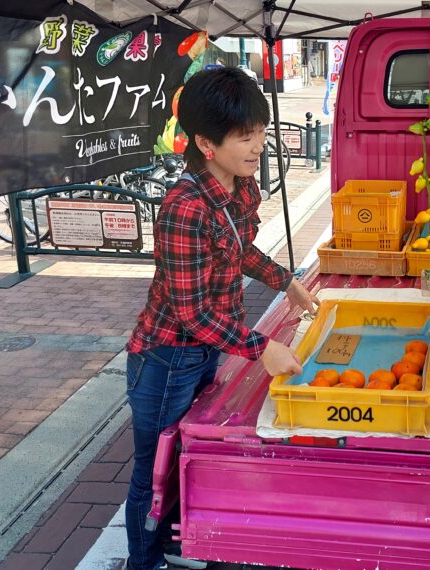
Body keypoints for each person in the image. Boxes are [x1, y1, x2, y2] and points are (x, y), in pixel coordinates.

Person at [123, 67, 318, 570]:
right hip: (166, 357)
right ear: (206, 144)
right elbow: (192, 313)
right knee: (154, 468)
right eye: (245, 136)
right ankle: (144, 562)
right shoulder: (184, 209)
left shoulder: (239, 187)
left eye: (261, 132)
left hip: (205, 347)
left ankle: (175, 541)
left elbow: (239, 251)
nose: (258, 146)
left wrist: (287, 281)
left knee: (187, 454)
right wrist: (260, 347)